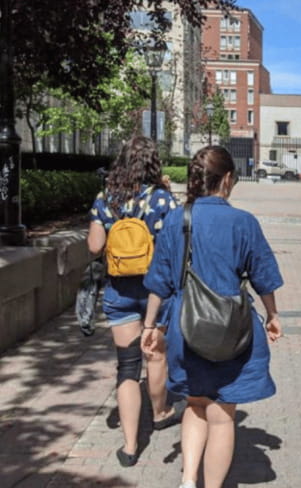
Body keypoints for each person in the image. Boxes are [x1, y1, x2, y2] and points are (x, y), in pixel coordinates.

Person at [141, 145, 283, 488]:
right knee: (222, 416)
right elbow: (263, 274)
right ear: (228, 179)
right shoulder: (243, 222)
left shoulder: (176, 219)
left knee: (195, 402)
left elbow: (159, 279)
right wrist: (273, 314)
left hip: (185, 326)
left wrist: (149, 325)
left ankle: (188, 480)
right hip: (231, 328)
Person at [87, 135, 181, 467]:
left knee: (127, 366)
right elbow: (175, 247)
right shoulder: (163, 200)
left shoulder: (105, 198)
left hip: (119, 291)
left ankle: (129, 447)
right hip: (156, 291)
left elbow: (94, 247)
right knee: (155, 357)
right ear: (153, 163)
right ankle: (160, 412)